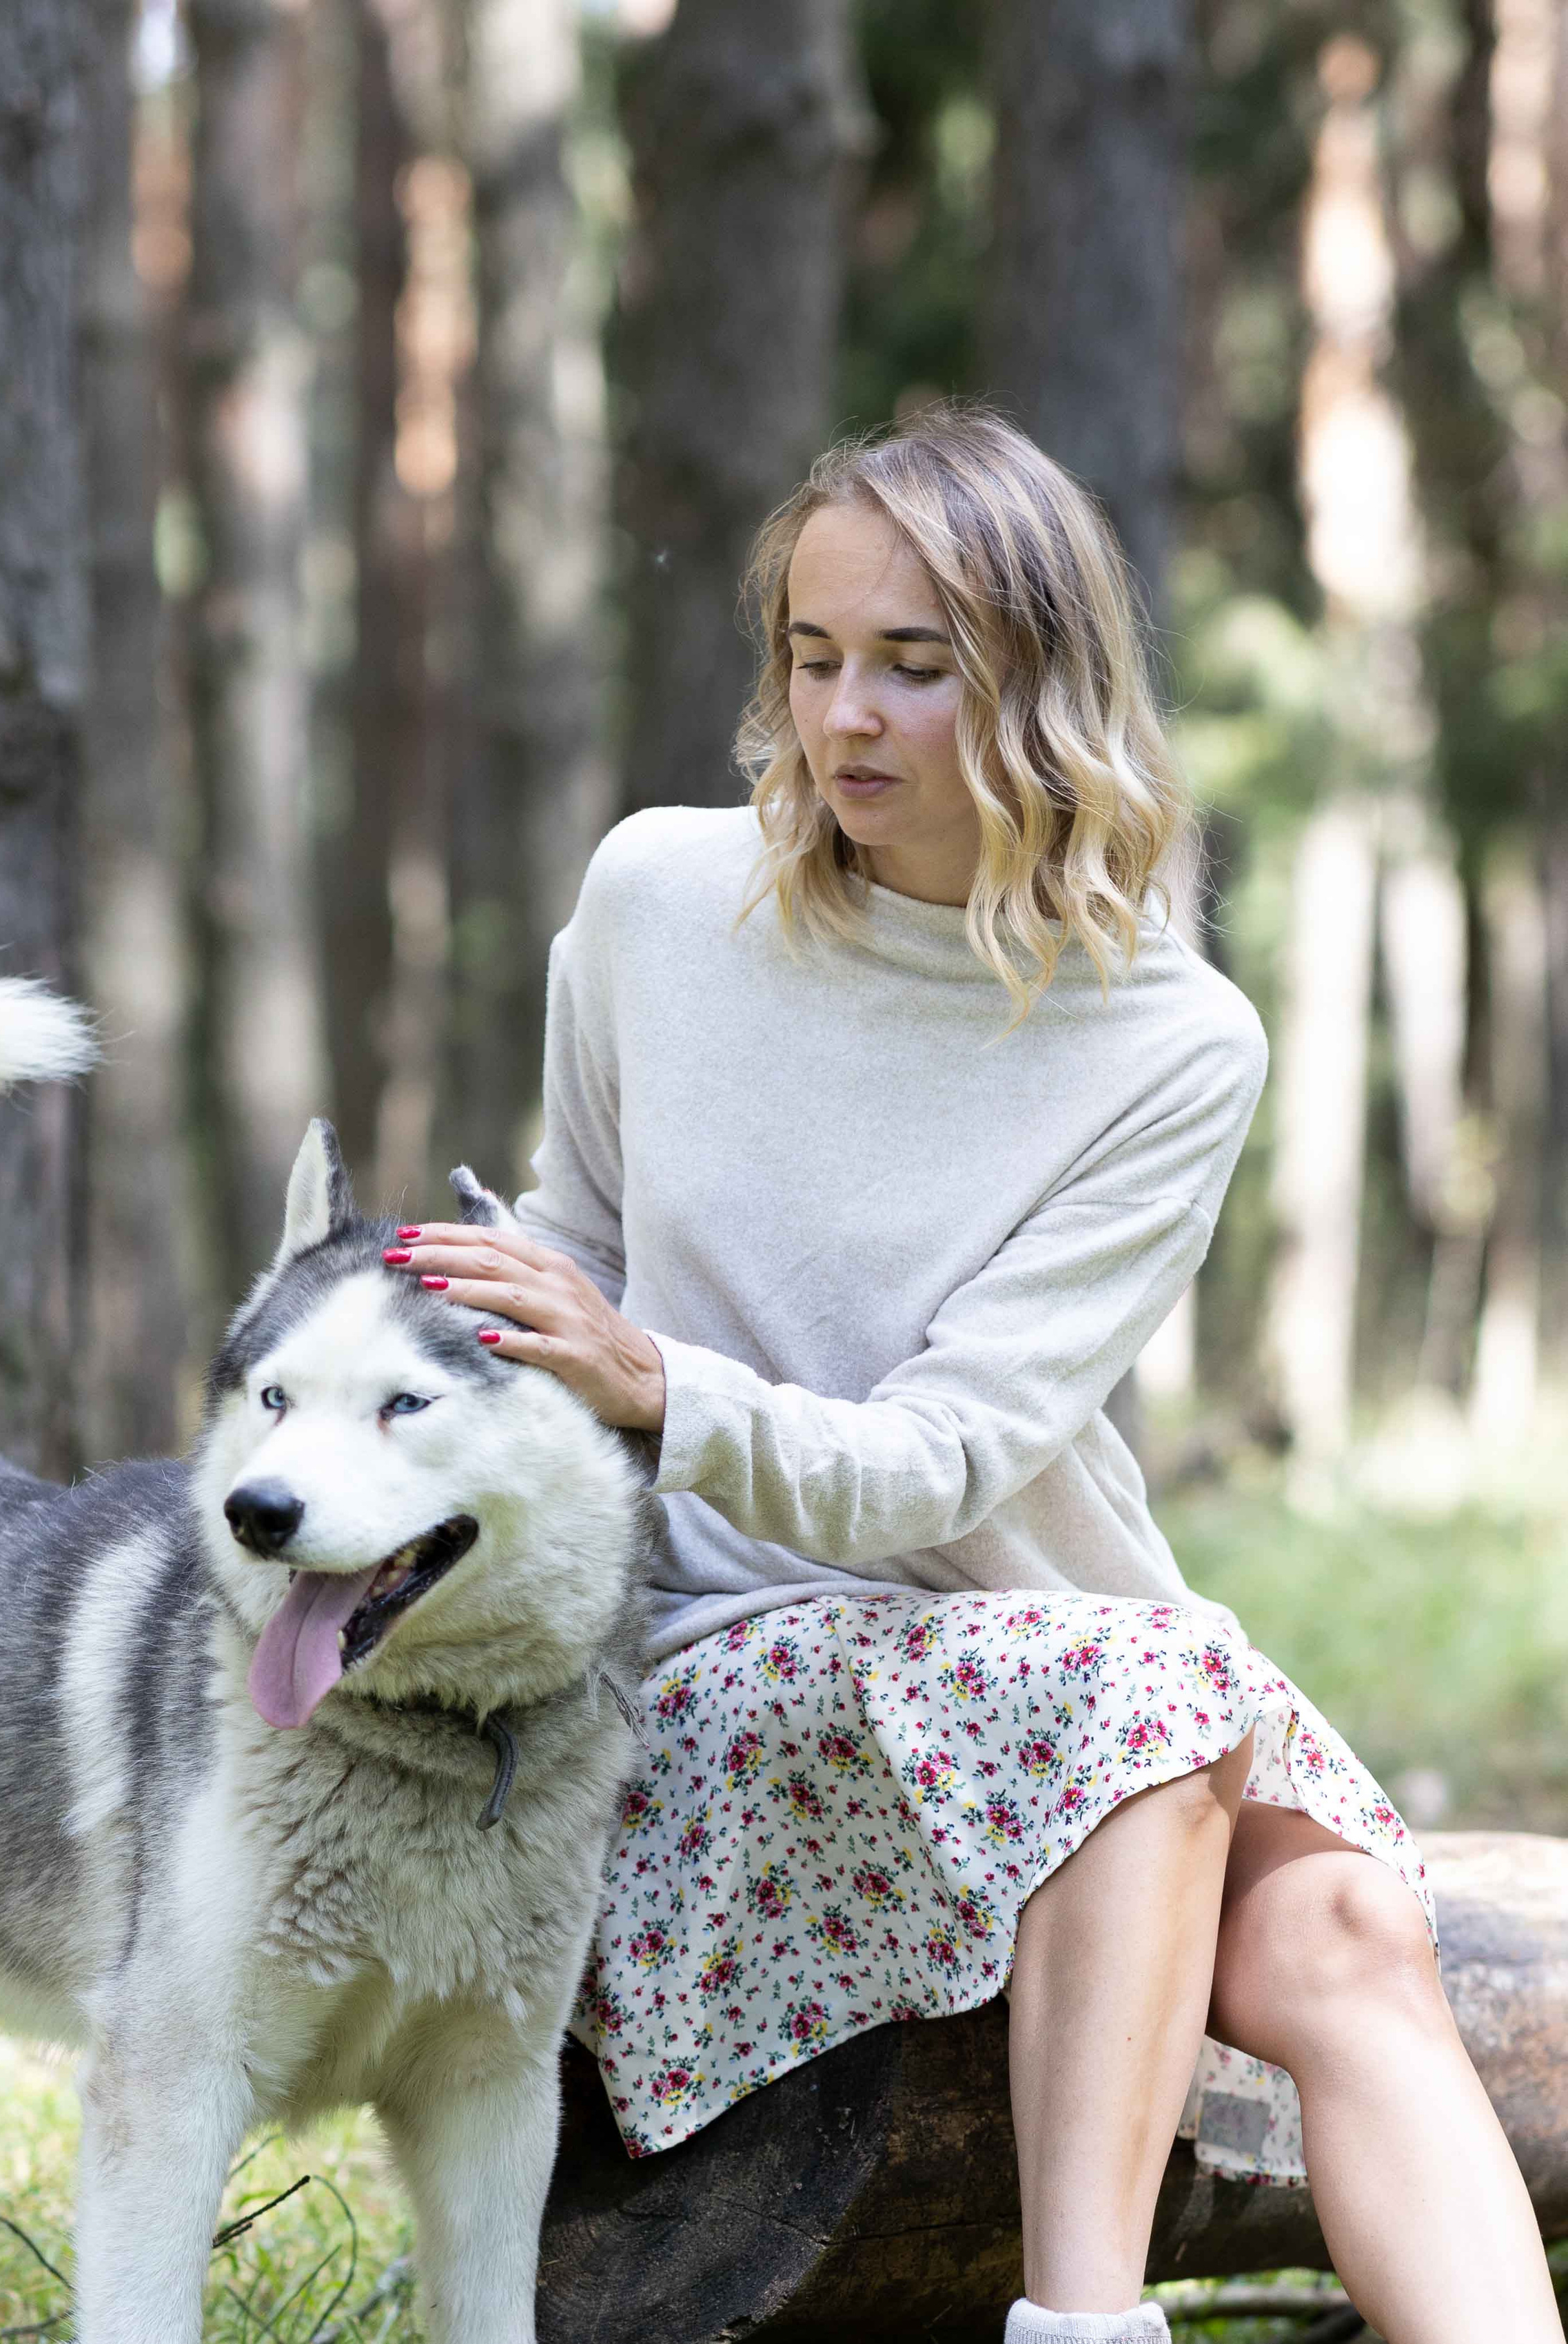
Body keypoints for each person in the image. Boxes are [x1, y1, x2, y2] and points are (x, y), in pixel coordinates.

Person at [385, 405, 1561, 2341]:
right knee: (1156, 1691)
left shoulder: (1172, 1040)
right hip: (722, 1651)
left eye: (916, 668)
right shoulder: (660, 902)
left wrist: (654, 1371)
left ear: (1038, 685)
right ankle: (1086, 2328)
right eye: (813, 654)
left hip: (1038, 1644)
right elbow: (575, 1246)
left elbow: (946, 1461)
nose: (846, 715)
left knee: (1350, 1922)